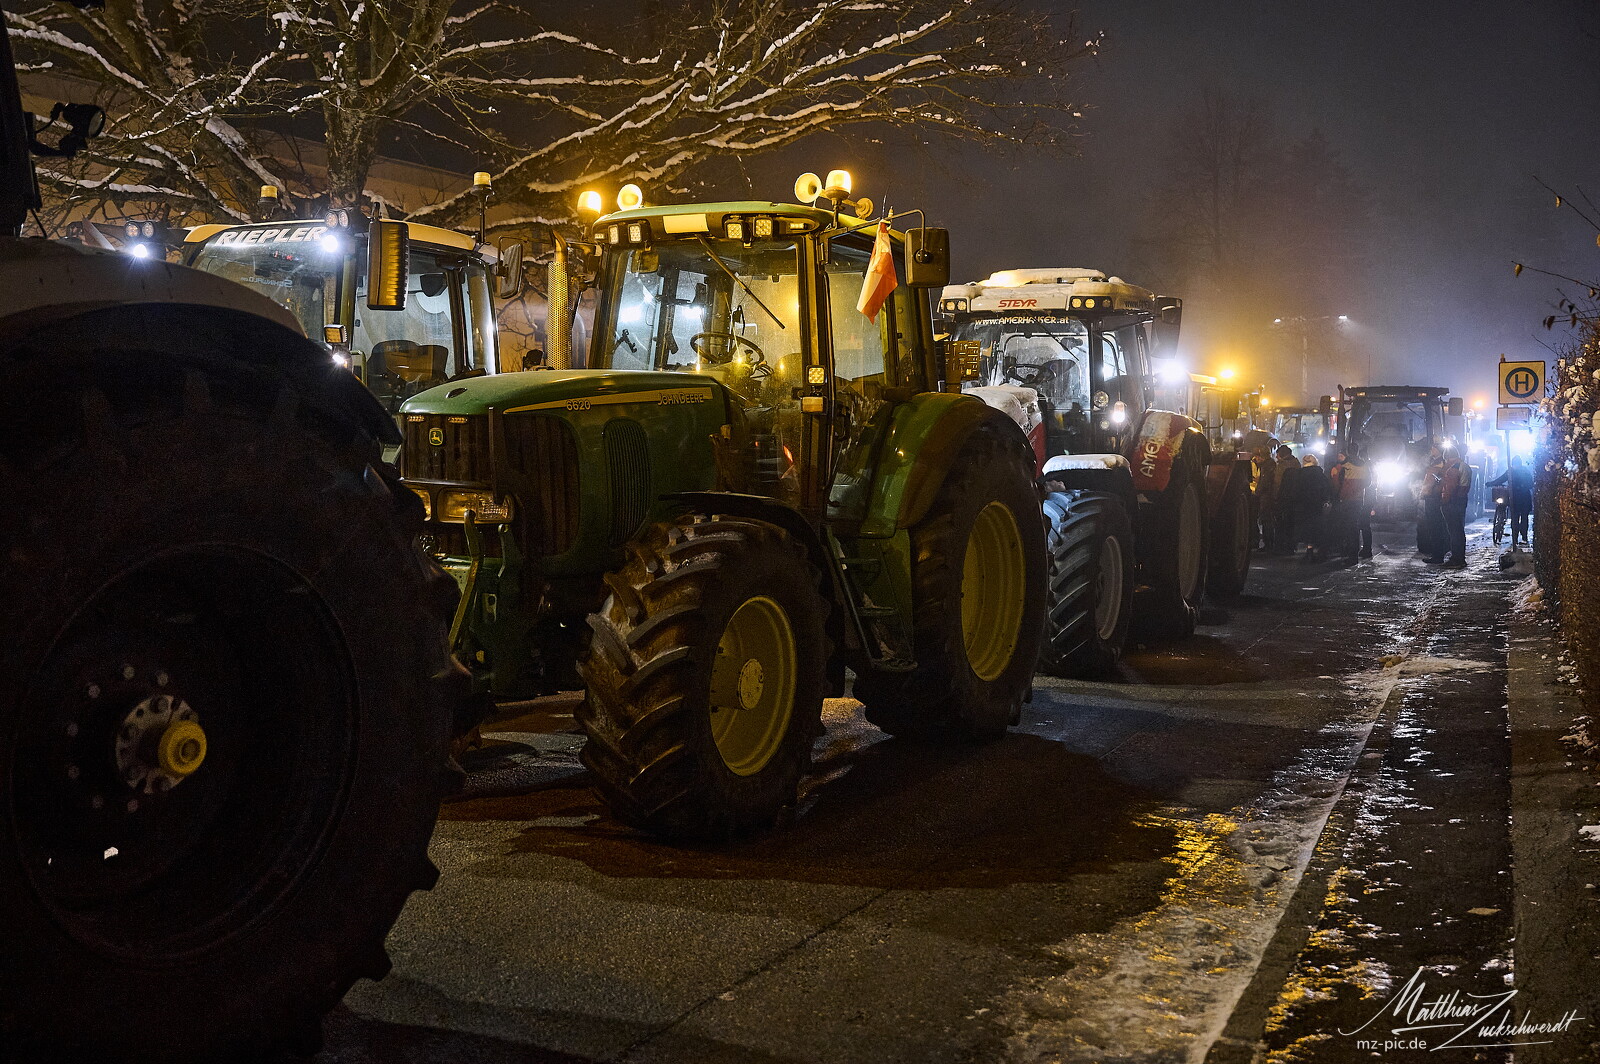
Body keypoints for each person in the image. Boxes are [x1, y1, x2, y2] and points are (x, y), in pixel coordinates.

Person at [1332, 443, 1373, 560]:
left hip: (1345, 498)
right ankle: (1355, 553)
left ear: (1348, 452)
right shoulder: (1365, 465)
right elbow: (1368, 482)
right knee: (1356, 525)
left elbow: (1337, 483)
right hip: (1359, 499)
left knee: (1347, 527)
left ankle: (1349, 553)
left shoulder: (1344, 466)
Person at [1487, 455, 1534, 550]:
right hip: (1524, 499)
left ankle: (1516, 538)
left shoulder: (1511, 472)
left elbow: (1501, 479)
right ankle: (1523, 537)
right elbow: (1531, 484)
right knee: (1523, 518)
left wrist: (1491, 483)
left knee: (1515, 518)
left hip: (1515, 499)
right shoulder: (1525, 471)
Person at [1439, 447, 1472, 568]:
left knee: (1454, 531)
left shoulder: (1454, 468)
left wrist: (1444, 500)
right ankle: (1459, 557)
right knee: (1458, 530)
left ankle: (1456, 559)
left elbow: (1450, 488)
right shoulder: (1464, 466)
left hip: (1453, 502)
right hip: (1460, 501)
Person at [1297, 453, 1332, 560]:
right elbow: (1326, 488)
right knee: (1318, 526)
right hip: (1317, 504)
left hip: (1304, 504)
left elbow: (1297, 489)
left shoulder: (1300, 474)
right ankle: (1322, 550)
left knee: (1307, 527)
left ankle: (1309, 549)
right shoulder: (1320, 474)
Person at [1418, 446, 1446, 563]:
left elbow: (1431, 482)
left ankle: (1437, 555)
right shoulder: (1437, 462)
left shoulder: (1438, 464)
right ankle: (1438, 552)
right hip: (1434, 497)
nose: (1431, 450)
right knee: (1436, 527)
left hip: (1433, 498)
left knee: (1435, 527)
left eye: (1433, 448)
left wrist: (1424, 493)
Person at [1273, 445, 1300, 552]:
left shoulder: (1282, 466)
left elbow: (1277, 483)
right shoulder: (1296, 464)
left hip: (1283, 497)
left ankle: (1281, 546)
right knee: (1291, 523)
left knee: (1281, 523)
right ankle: (1291, 546)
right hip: (1294, 498)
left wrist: (1275, 497)